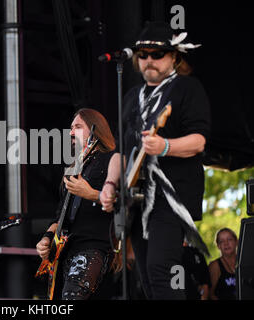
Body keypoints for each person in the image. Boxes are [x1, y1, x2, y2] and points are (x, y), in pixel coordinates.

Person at [100, 21, 211, 300]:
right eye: (143, 54)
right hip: (135, 197)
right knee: (146, 276)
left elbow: (199, 141)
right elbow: (121, 152)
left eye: (157, 54)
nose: (149, 60)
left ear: (174, 57)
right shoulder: (130, 97)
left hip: (171, 195)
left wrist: (165, 146)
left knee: (161, 267)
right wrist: (110, 184)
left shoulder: (187, 88)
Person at [36, 108, 116, 300]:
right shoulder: (73, 167)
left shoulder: (111, 160)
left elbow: (123, 202)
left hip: (94, 246)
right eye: (71, 128)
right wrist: (46, 239)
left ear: (95, 130)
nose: (71, 132)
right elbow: (59, 217)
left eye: (78, 127)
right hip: (65, 250)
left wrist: (91, 194)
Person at [208, 227, 238, 300]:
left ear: (236, 242)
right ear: (218, 246)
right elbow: (209, 294)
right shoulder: (215, 266)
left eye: (229, 239)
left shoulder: (245, 261)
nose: (226, 243)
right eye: (222, 241)